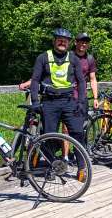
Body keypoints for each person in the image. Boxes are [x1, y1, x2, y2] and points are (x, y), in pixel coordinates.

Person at [28, 28, 87, 178]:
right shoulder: (43, 57)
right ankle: (51, 167)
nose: (62, 42)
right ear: (54, 41)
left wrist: (81, 101)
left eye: (65, 40)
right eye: (59, 39)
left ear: (68, 43)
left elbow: (81, 81)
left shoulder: (73, 58)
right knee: (49, 136)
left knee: (78, 133)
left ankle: (82, 168)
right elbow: (35, 80)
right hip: (49, 102)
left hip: (68, 101)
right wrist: (35, 101)